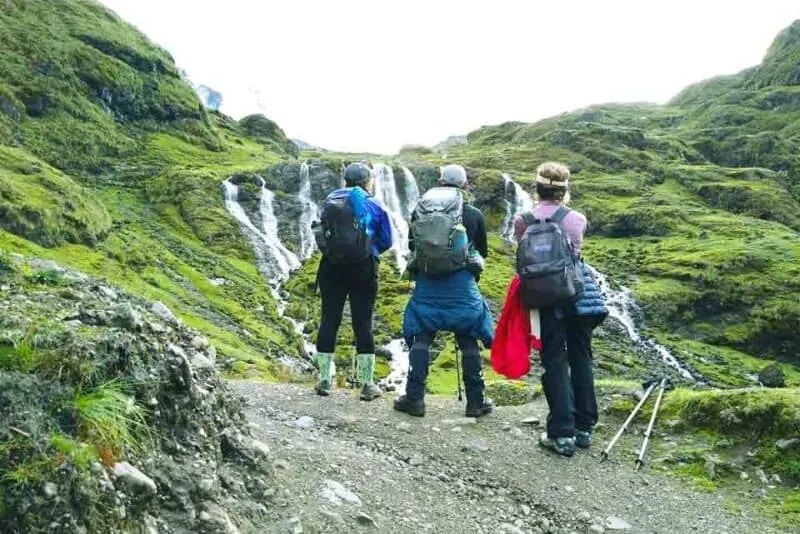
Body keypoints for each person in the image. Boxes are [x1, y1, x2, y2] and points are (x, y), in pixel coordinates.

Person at [513, 162, 607, 457]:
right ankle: (585, 427)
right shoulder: (576, 219)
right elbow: (576, 254)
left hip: (544, 298)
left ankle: (561, 432)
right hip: (578, 296)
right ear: (565, 191)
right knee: (582, 356)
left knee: (554, 359)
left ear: (536, 189)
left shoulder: (522, 220)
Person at [393, 164, 495, 418]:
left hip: (428, 283)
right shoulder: (472, 214)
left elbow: (412, 246)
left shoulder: (420, 211)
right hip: (462, 284)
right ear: (463, 185)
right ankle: (476, 401)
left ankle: (414, 399)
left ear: (439, 182)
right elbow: (482, 251)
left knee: (422, 337)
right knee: (468, 337)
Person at [312, 162, 393, 400]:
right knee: (363, 322)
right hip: (364, 268)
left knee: (329, 319)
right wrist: (367, 249)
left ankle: (324, 380)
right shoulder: (373, 203)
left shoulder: (330, 201)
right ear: (367, 181)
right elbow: (387, 240)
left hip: (331, 267)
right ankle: (367, 384)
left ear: (345, 179)